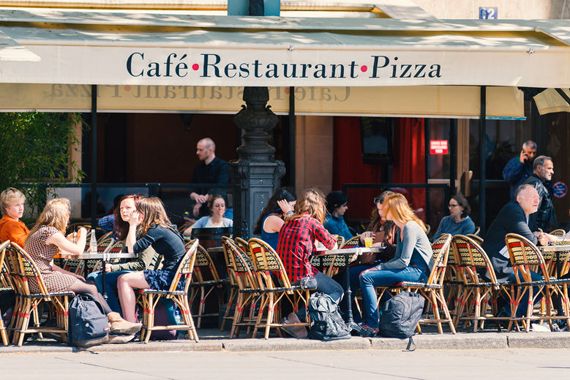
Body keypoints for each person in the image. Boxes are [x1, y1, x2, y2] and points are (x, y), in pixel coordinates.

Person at [24, 198, 141, 338]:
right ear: (61, 216)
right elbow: (78, 251)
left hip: (35, 279)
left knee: (88, 284)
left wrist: (71, 274)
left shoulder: (39, 231)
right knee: (90, 287)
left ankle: (108, 321)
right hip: (43, 280)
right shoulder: (50, 232)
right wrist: (84, 233)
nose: (68, 220)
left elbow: (49, 264)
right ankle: (113, 320)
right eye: (67, 216)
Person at [358, 193, 433, 336]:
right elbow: (398, 259)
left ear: (394, 210)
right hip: (409, 269)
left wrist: (379, 267)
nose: (382, 211)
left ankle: (372, 324)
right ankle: (374, 321)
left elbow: (403, 261)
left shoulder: (410, 227)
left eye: (386, 208)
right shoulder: (401, 228)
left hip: (418, 272)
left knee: (366, 277)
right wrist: (377, 268)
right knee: (366, 275)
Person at [276, 188, 344, 335]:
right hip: (303, 277)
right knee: (337, 290)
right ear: (318, 208)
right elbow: (333, 245)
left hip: (283, 278)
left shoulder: (288, 222)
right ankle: (296, 318)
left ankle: (301, 321)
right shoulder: (312, 222)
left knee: (322, 287)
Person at [116, 197, 187, 323]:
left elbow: (132, 250)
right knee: (124, 278)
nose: (135, 214)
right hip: (175, 276)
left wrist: (132, 225)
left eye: (139, 211)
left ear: (147, 212)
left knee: (123, 280)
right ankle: (131, 321)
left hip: (170, 278)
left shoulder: (156, 230)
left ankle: (130, 324)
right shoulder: (163, 227)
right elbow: (129, 249)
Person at [87, 194, 159, 314]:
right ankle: (104, 317)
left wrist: (114, 267)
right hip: (132, 272)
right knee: (92, 277)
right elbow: (127, 256)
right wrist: (111, 266)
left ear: (139, 210)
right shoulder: (129, 230)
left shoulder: (147, 231)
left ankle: (117, 316)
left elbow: (143, 264)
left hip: (147, 275)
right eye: (121, 208)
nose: (123, 211)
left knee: (100, 278)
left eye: (128, 208)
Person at [190, 138, 230, 218]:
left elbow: (221, 186)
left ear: (210, 150)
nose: (197, 152)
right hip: (201, 211)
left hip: (218, 211)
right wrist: (196, 197)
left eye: (200, 150)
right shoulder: (198, 168)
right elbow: (192, 189)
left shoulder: (223, 166)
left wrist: (202, 200)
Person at [523, 155, 557, 232]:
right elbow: (531, 213)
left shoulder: (537, 183)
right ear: (538, 168)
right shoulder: (536, 184)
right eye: (549, 168)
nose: (552, 172)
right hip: (538, 236)